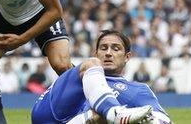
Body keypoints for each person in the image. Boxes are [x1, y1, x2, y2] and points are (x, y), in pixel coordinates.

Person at [32, 30, 172, 124]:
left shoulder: (138, 89)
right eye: (104, 48)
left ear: (127, 57)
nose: (108, 53)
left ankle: (107, 114)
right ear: (96, 53)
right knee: (85, 68)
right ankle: (113, 113)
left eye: (115, 49)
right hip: (47, 113)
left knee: (100, 116)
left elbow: (164, 120)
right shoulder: (81, 73)